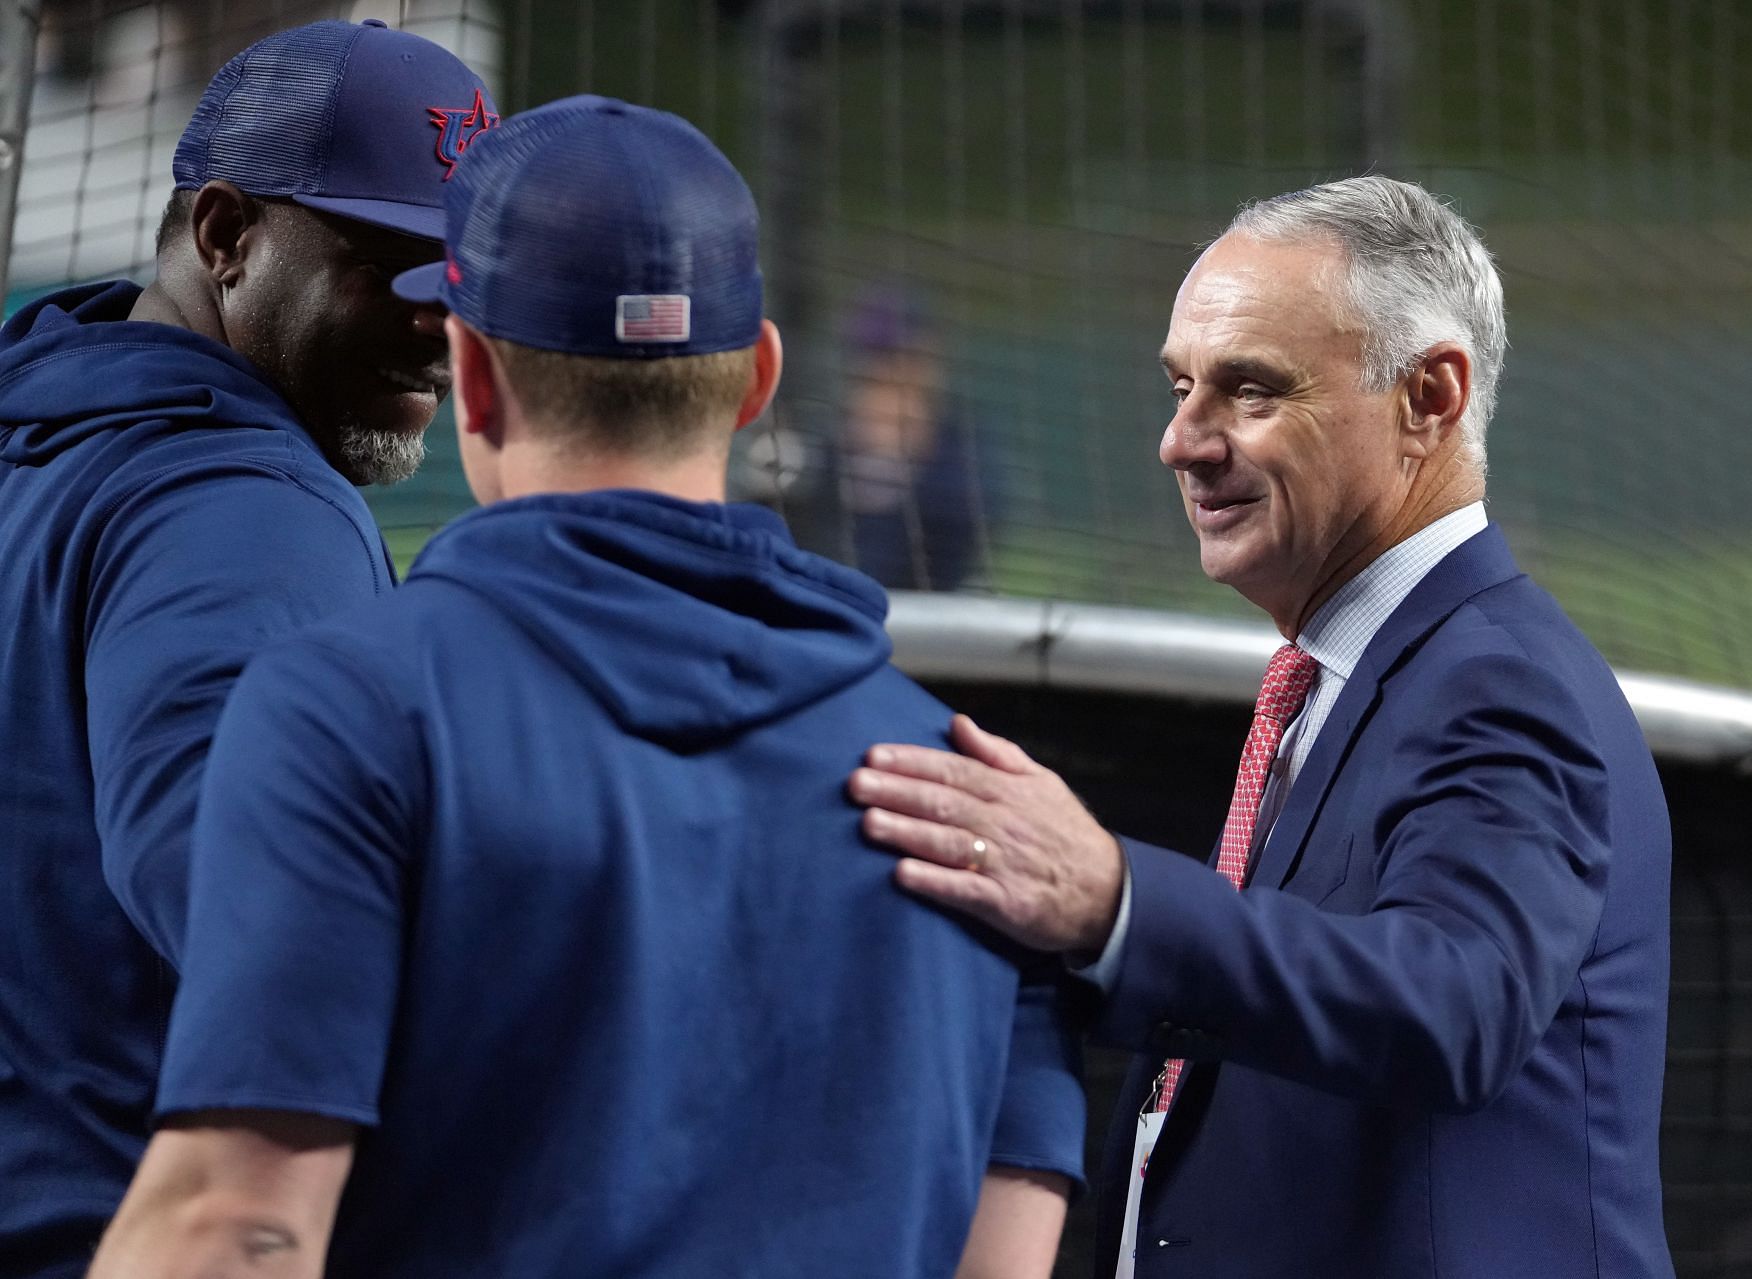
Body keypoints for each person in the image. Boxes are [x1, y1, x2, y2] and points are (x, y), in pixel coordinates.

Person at [85, 96, 1082, 1279]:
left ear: (471, 373)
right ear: (758, 376)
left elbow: (234, 1228)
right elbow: (1001, 1262)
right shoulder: (980, 808)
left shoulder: (351, 710)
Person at [850, 177, 1675, 1277]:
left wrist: (1110, 898)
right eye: (1181, 385)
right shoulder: (1362, 671)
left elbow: (1457, 1001)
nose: (1179, 441)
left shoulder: (1500, 681)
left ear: (1429, 394)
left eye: (1248, 390)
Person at [0, 20, 492, 1276]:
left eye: (470, 279)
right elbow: (262, 897)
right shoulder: (245, 507)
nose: (441, 323)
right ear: (226, 236)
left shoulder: (39, 443)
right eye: (394, 264)